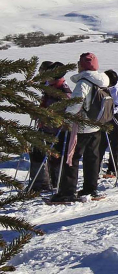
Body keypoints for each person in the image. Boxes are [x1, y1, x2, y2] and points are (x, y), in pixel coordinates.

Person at [50, 52, 110, 203]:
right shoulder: (102, 81)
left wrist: (66, 117)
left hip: (80, 127)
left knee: (71, 158)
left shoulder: (83, 82)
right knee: (92, 158)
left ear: (82, 66)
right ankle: (91, 188)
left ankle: (67, 192)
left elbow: (75, 103)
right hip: (96, 125)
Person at [29, 62, 71, 191]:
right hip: (44, 127)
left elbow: (67, 110)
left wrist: (45, 115)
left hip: (57, 130)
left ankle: (55, 183)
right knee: (36, 154)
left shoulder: (63, 90)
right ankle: (40, 184)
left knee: (54, 158)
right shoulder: (50, 87)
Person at [98, 70, 118, 178]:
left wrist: (107, 113)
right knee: (101, 144)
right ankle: (97, 169)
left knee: (116, 145)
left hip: (116, 119)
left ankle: (114, 170)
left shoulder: (116, 89)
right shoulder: (109, 87)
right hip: (107, 119)